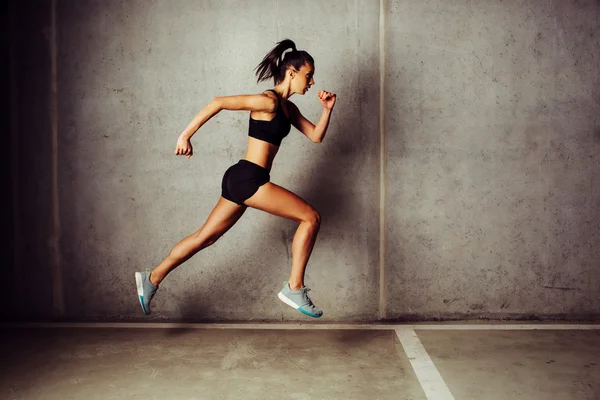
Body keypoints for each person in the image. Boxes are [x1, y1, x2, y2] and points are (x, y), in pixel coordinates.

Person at [135, 39, 337, 318]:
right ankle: (294, 287)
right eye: (309, 75)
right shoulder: (267, 101)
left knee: (204, 238)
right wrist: (185, 135)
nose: (312, 82)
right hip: (248, 179)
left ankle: (152, 278)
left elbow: (316, 136)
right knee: (310, 217)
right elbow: (219, 102)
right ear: (292, 73)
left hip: (242, 178)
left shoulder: (289, 109)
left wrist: (327, 110)